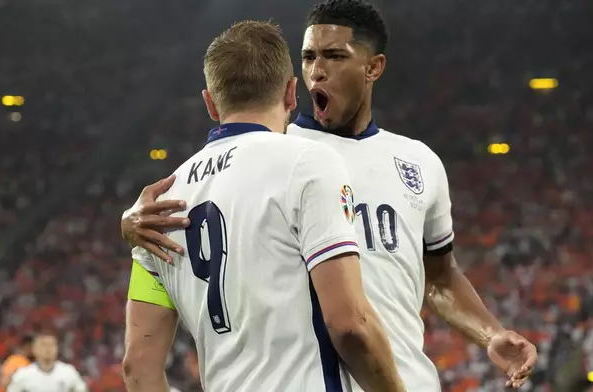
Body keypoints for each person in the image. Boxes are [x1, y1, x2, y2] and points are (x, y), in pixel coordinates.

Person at [122, 20, 403, 392]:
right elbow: (350, 324)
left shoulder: (155, 211)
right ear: (291, 93)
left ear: (210, 102)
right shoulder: (308, 162)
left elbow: (137, 368)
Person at [6, 332, 87, 392]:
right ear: (34, 349)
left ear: (57, 349)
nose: (48, 349)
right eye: (43, 345)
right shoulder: (23, 375)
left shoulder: (68, 372)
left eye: (51, 345)